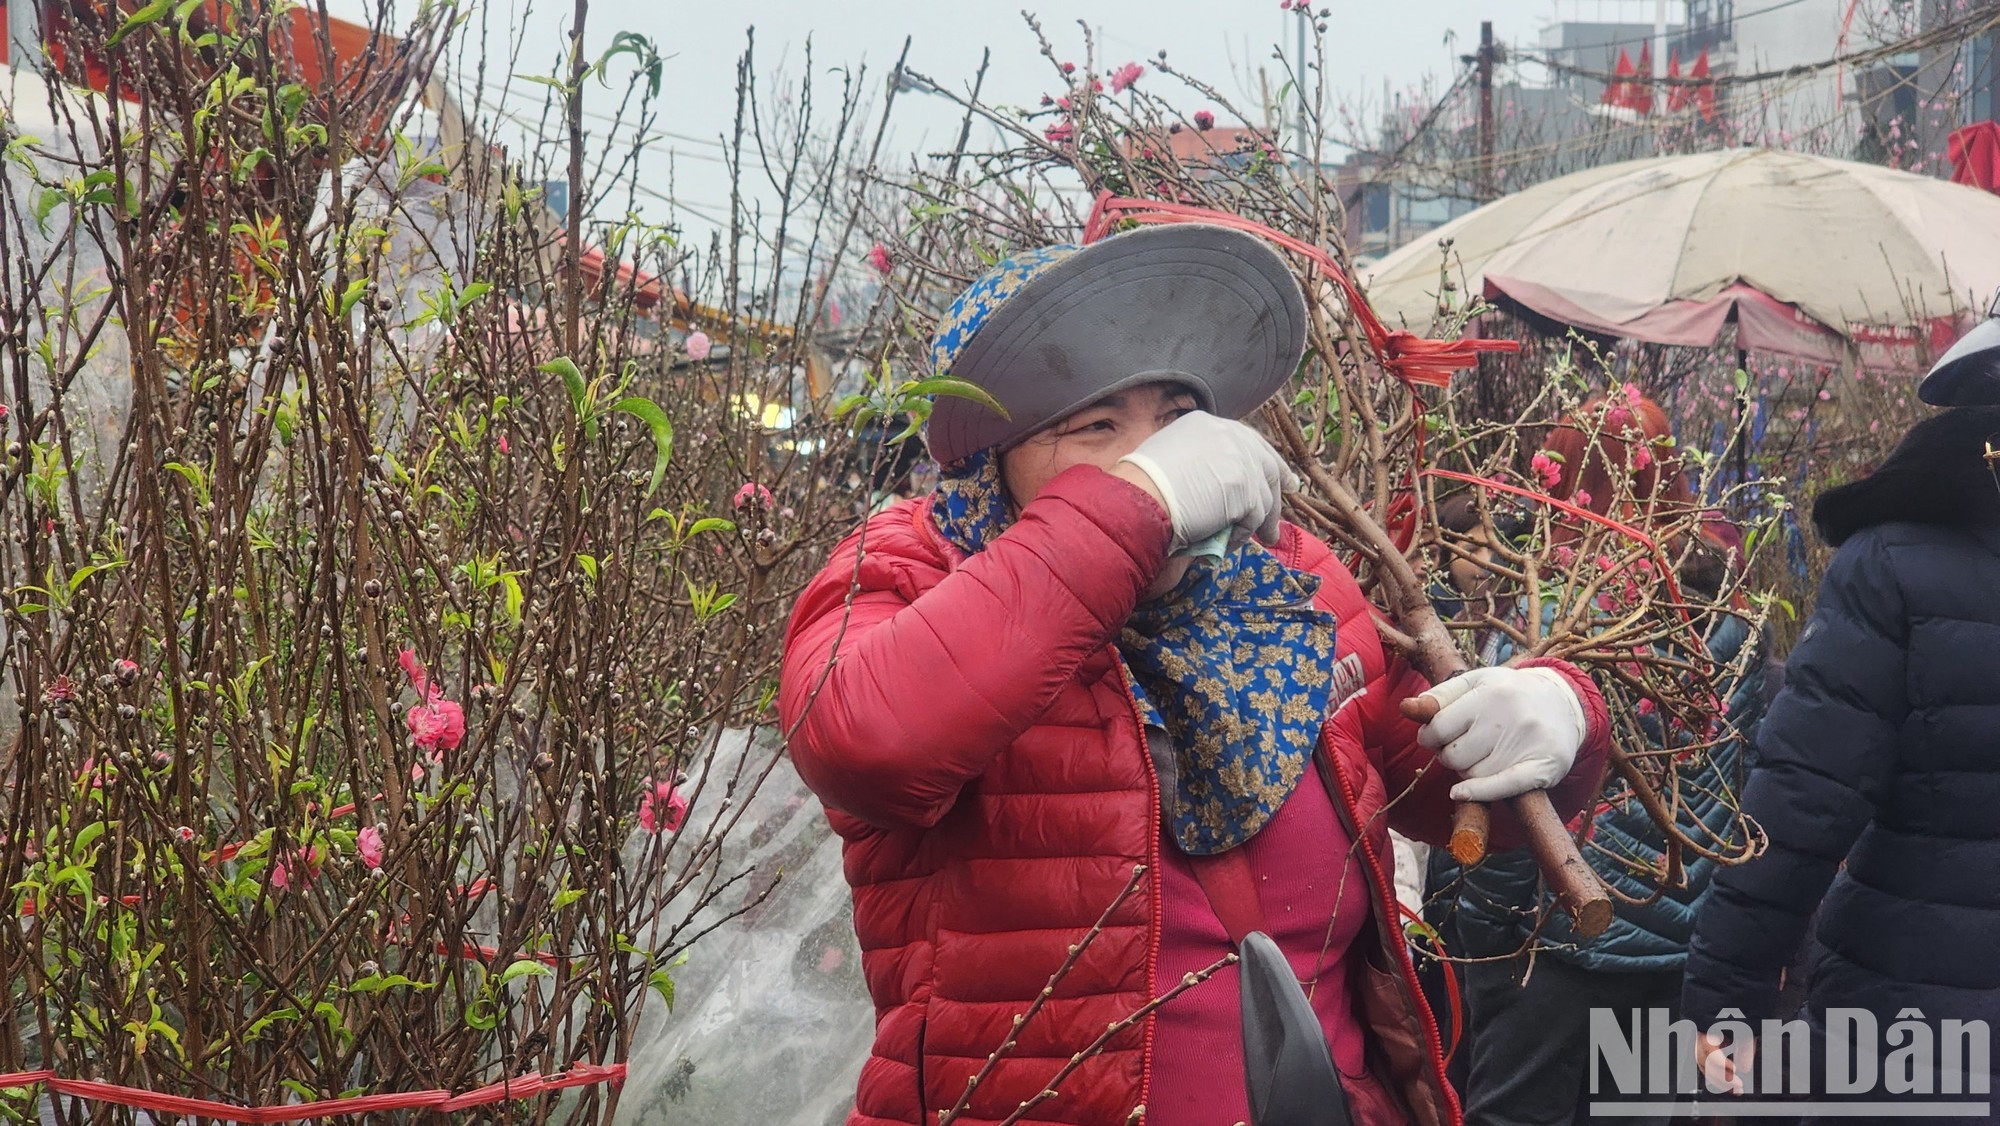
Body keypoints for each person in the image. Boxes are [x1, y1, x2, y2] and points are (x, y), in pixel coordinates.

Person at [778, 223, 1614, 1126]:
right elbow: (863, 742)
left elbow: (1431, 794)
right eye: (1097, 426)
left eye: (1177, 420)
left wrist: (1561, 721)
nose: (1157, 453)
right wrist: (1136, 507)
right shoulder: (919, 566)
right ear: (998, 457)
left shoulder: (1285, 579)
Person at [1426, 392, 1770, 1126]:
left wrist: (1483, 930)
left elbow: (1495, 794)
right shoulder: (1732, 620)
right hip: (1673, 944)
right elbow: (1738, 787)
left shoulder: (1536, 612)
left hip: (1543, 939)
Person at [1680, 400, 2000, 1114]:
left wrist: (1721, 1011)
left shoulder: (1894, 564)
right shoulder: (1901, 568)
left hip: (1908, 1027)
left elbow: (1798, 809)